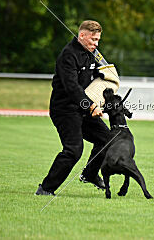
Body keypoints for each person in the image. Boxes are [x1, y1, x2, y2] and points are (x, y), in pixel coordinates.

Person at [35, 20, 111, 196]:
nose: (96, 44)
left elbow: (103, 74)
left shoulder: (93, 53)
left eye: (98, 40)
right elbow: (72, 88)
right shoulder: (68, 55)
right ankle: (46, 189)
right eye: (93, 39)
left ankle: (90, 174)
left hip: (82, 109)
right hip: (64, 109)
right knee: (74, 149)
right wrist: (90, 106)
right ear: (82, 35)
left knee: (107, 139)